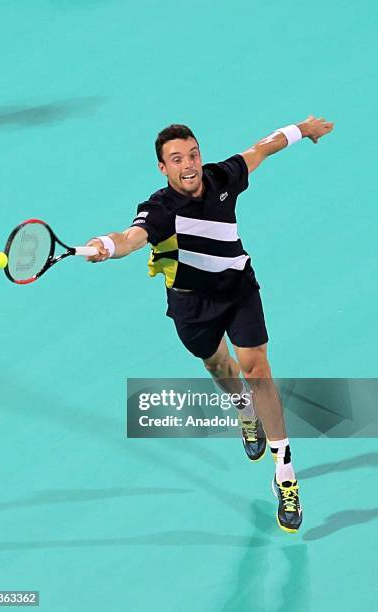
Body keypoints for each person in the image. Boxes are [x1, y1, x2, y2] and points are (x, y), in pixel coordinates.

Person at [85, 115, 334, 533]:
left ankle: (286, 475)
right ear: (163, 169)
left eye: (193, 153)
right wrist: (106, 246)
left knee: (257, 370)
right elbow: (132, 237)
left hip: (238, 289)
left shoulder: (221, 177)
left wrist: (299, 130)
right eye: (177, 158)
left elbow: (260, 148)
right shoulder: (160, 209)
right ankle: (243, 411)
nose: (189, 164)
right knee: (220, 368)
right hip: (191, 306)